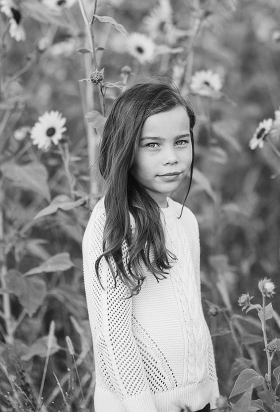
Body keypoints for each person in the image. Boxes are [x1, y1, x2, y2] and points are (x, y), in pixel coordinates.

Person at [82, 79, 220, 412]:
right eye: (152, 145)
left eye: (181, 142)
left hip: (197, 402)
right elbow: (113, 334)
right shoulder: (114, 222)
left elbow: (194, 316)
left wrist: (213, 394)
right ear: (125, 149)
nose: (172, 158)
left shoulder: (186, 221)